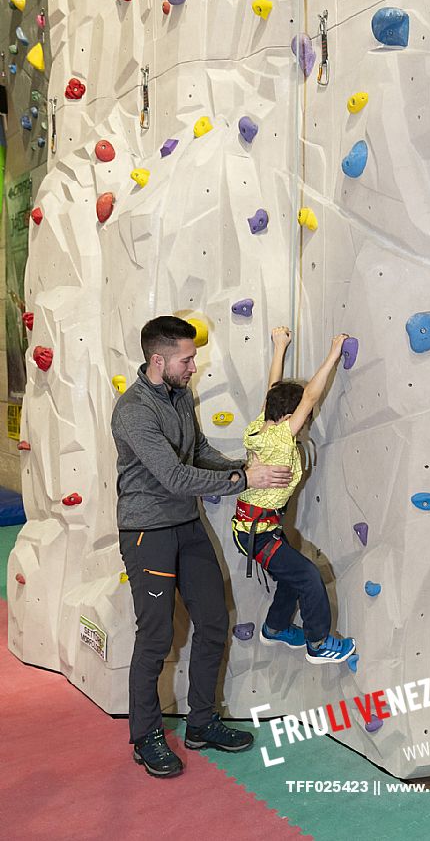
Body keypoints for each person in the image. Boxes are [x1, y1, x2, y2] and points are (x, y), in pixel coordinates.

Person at [111, 316, 292, 778]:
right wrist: (243, 479)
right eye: (187, 359)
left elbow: (198, 454)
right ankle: (146, 736)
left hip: (187, 526)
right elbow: (174, 477)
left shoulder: (179, 395)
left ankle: (202, 723)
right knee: (155, 638)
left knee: (213, 621)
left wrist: (241, 466)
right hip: (147, 533)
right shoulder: (133, 410)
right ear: (159, 360)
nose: (195, 366)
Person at [232, 326, 356, 665]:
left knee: (293, 574)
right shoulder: (280, 439)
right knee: (309, 577)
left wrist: (279, 347)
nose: (305, 426)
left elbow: (273, 390)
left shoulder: (262, 425)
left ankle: (274, 627)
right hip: (258, 534)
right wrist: (333, 353)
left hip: (255, 529)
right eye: (303, 421)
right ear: (289, 419)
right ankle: (318, 643)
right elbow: (310, 397)